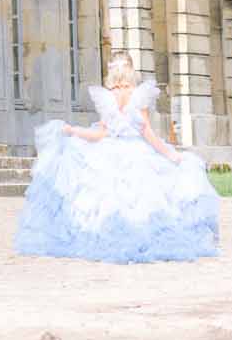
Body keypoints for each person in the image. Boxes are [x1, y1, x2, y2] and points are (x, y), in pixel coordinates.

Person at [14, 50, 220, 263]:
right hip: (138, 154)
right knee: (146, 201)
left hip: (109, 153)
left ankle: (104, 236)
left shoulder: (108, 97)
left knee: (107, 200)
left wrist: (74, 131)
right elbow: (147, 133)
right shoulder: (138, 95)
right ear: (131, 70)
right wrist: (172, 154)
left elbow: (100, 134)